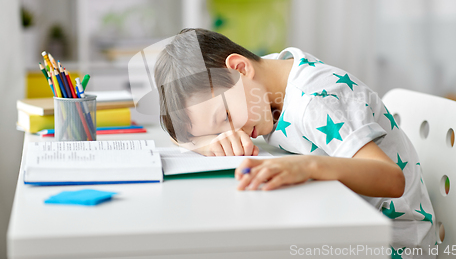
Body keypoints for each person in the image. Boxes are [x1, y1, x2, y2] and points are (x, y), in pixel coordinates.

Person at [154, 28, 437, 258]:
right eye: (219, 130)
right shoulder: (266, 76)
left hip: (392, 245)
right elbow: (177, 136)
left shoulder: (315, 102)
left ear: (240, 67)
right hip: (343, 226)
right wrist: (209, 143)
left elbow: (392, 180)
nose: (234, 132)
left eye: (226, 116)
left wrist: (307, 165)